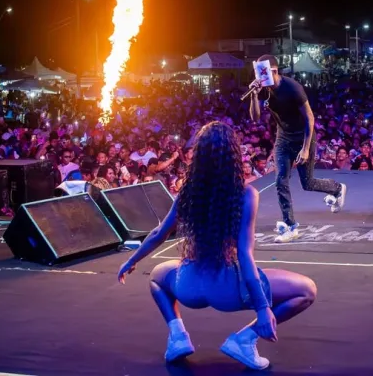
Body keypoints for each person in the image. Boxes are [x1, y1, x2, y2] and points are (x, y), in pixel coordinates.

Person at [117, 122, 317, 369]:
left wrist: (132, 260)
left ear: (199, 155)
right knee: (306, 290)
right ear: (233, 155)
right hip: (227, 288)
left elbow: (159, 233)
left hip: (188, 285)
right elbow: (245, 255)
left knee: (157, 277)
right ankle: (245, 339)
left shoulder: (188, 191)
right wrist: (263, 308)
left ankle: (178, 336)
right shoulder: (245, 195)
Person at [248, 55, 347, 243]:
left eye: (264, 74)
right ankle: (290, 226)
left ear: (274, 71)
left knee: (307, 183)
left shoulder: (292, 88)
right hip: (283, 138)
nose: (260, 79)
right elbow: (255, 118)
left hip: (303, 136)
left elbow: (310, 118)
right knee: (280, 180)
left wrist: (306, 148)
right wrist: (253, 95)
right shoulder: (264, 89)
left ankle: (337, 189)